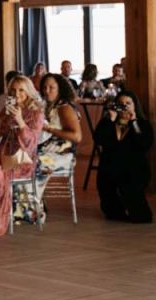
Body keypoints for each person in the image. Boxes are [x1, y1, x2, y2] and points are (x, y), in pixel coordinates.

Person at [0, 74, 44, 236]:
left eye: (21, 91)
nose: (17, 94)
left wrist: (20, 121)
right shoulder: (6, 111)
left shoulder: (36, 113)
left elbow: (30, 143)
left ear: (29, 92)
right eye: (13, 90)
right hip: (4, 152)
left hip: (22, 158)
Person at [94, 91, 153, 223]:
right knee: (113, 214)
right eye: (120, 104)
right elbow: (98, 139)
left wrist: (133, 122)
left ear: (134, 105)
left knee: (141, 217)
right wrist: (110, 120)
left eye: (128, 103)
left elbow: (144, 143)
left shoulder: (142, 124)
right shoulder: (109, 122)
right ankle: (118, 207)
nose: (124, 106)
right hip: (110, 169)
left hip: (133, 170)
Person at [31, 73, 82, 221]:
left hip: (62, 156)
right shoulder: (50, 106)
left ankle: (32, 209)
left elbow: (77, 137)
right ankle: (33, 204)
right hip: (49, 152)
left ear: (60, 89)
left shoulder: (64, 107)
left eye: (52, 87)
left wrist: (49, 129)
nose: (47, 90)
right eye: (45, 87)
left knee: (32, 163)